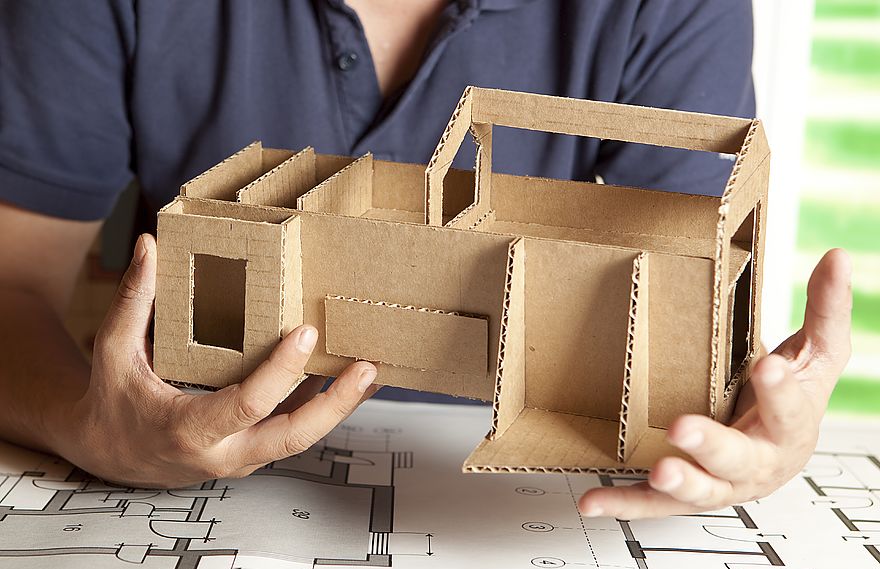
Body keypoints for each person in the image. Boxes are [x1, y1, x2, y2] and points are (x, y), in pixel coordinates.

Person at [0, 0, 851, 518]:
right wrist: (88, 420)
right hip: (187, 469)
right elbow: (12, 282)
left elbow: (692, 274)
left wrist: (747, 418)